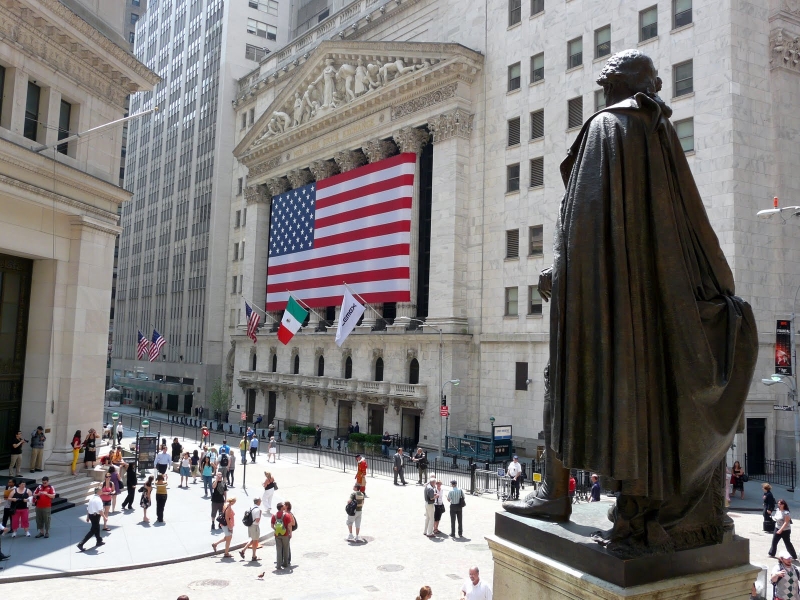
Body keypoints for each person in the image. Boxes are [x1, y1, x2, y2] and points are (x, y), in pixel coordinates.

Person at [502, 50, 758, 555]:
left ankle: (568, 500)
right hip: (651, 303)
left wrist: (564, 273)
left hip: (605, 306)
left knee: (567, 387)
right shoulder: (657, 130)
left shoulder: (608, 128)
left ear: (615, 85)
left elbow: (588, 220)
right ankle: (594, 501)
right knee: (612, 394)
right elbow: (683, 223)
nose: (601, 91)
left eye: (605, 83)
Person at [271, 501, 295, 569]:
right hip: (285, 534)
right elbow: (289, 525)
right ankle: (285, 563)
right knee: (286, 548)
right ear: (281, 507)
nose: (284, 506)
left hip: (277, 535)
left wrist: (276, 530)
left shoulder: (274, 515)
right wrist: (290, 533)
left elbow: (272, 525)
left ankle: (278, 565)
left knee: (278, 549)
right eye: (283, 505)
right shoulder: (286, 515)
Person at [240, 497, 262, 562]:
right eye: (260, 501)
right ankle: (254, 556)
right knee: (255, 541)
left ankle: (243, 550)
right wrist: (260, 514)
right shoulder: (258, 510)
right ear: (258, 502)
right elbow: (257, 520)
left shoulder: (251, 507)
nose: (261, 502)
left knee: (253, 540)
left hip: (250, 525)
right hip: (255, 526)